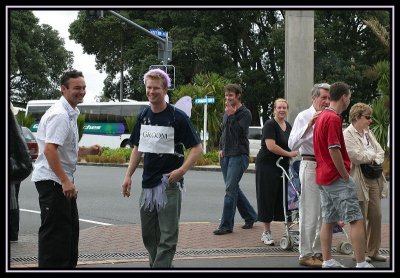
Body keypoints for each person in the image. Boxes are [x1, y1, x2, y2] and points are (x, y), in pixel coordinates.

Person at [121, 68, 202, 268]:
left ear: (165, 89)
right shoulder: (143, 116)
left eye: (156, 88)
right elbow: (137, 148)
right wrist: (128, 176)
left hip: (169, 184)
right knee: (149, 236)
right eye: (148, 88)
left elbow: (197, 148)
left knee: (167, 236)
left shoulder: (177, 116)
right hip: (147, 185)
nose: (151, 92)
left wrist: (181, 171)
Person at [31, 70, 102, 268]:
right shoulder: (60, 115)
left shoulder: (70, 112)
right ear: (64, 89)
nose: (82, 91)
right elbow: (50, 150)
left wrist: (88, 150)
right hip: (53, 182)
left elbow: (63, 149)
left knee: (68, 233)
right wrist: (65, 181)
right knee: (56, 237)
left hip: (59, 182)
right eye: (77, 88)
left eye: (84, 87)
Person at [313, 81, 373, 268]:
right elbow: (334, 149)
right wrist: (344, 175)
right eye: (349, 97)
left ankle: (327, 260)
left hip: (322, 175)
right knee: (355, 218)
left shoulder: (322, 116)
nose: (349, 100)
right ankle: (361, 262)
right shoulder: (333, 119)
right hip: (335, 177)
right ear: (344, 97)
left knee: (328, 218)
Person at [288, 83, 331, 267]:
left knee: (324, 212)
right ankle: (305, 253)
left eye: (329, 98)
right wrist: (309, 125)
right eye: (323, 98)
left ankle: (318, 251)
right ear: (314, 98)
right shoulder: (303, 116)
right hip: (310, 163)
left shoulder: (330, 116)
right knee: (310, 211)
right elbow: (292, 144)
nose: (327, 101)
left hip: (326, 165)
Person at [343, 102, 388, 262]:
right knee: (359, 217)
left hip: (374, 178)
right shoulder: (348, 134)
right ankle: (359, 254)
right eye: (367, 117)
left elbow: (381, 151)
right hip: (359, 178)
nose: (370, 121)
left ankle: (373, 251)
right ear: (356, 117)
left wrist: (372, 157)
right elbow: (355, 156)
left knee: (376, 216)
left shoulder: (368, 132)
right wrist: (372, 156)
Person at [213, 84, 257, 235]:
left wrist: (232, 115)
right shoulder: (227, 112)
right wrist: (220, 148)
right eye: (226, 95)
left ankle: (225, 226)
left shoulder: (245, 113)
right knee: (233, 189)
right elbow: (224, 132)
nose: (227, 98)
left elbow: (239, 132)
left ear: (238, 96)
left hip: (239, 155)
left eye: (230, 95)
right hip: (226, 156)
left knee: (230, 190)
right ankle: (250, 216)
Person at [255, 98, 298, 245]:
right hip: (267, 165)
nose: (281, 110)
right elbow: (271, 146)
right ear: (274, 109)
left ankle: (289, 231)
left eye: (284, 108)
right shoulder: (269, 124)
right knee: (267, 196)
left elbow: (293, 143)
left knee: (286, 198)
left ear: (287, 110)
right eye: (279, 107)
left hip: (283, 165)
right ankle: (266, 232)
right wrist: (290, 154)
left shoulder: (288, 125)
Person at [9, 103, 32, 243]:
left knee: (12, 201)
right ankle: (12, 235)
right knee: (13, 201)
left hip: (13, 168)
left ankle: (12, 235)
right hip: (14, 168)